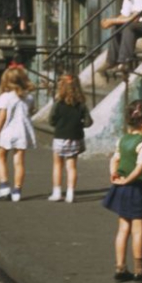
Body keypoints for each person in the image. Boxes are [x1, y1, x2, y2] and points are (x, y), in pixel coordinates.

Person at [101, 99, 142, 283]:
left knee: (123, 229)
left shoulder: (124, 139)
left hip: (122, 189)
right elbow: (140, 167)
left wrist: (115, 175)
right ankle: (139, 270)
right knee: (138, 231)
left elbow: (115, 159)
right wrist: (129, 179)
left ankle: (120, 268)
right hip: (139, 190)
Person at [0, 63, 37, 202]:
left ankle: (4, 187)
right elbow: (31, 111)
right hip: (23, 131)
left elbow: (1, 117)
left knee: (1, 157)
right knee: (19, 161)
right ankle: (17, 191)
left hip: (7, 131)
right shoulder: (29, 97)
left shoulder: (5, 97)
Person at [48, 73, 93, 203]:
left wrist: (59, 124)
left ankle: (57, 192)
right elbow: (88, 122)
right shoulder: (81, 105)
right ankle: (70, 193)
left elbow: (51, 120)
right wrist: (80, 124)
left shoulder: (58, 104)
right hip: (75, 137)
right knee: (71, 166)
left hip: (60, 137)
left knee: (57, 165)